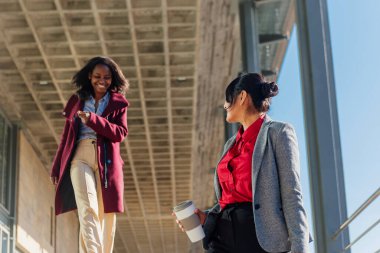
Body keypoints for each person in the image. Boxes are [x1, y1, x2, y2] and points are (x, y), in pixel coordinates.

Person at [174, 73, 311, 253]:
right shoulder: (230, 145)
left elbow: (291, 194)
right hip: (221, 237)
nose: (224, 105)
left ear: (242, 97)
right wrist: (205, 218)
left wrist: (300, 249)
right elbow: (226, 201)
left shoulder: (279, 133)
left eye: (228, 99)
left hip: (259, 238)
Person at [50, 56, 129, 253]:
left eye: (107, 77)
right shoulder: (77, 100)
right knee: (87, 208)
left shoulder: (119, 102)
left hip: (108, 162)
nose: (102, 80)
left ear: (113, 79)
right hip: (80, 156)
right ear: (89, 76)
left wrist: (93, 120)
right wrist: (56, 166)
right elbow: (65, 137)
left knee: (107, 216)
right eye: (97, 76)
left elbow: (120, 133)